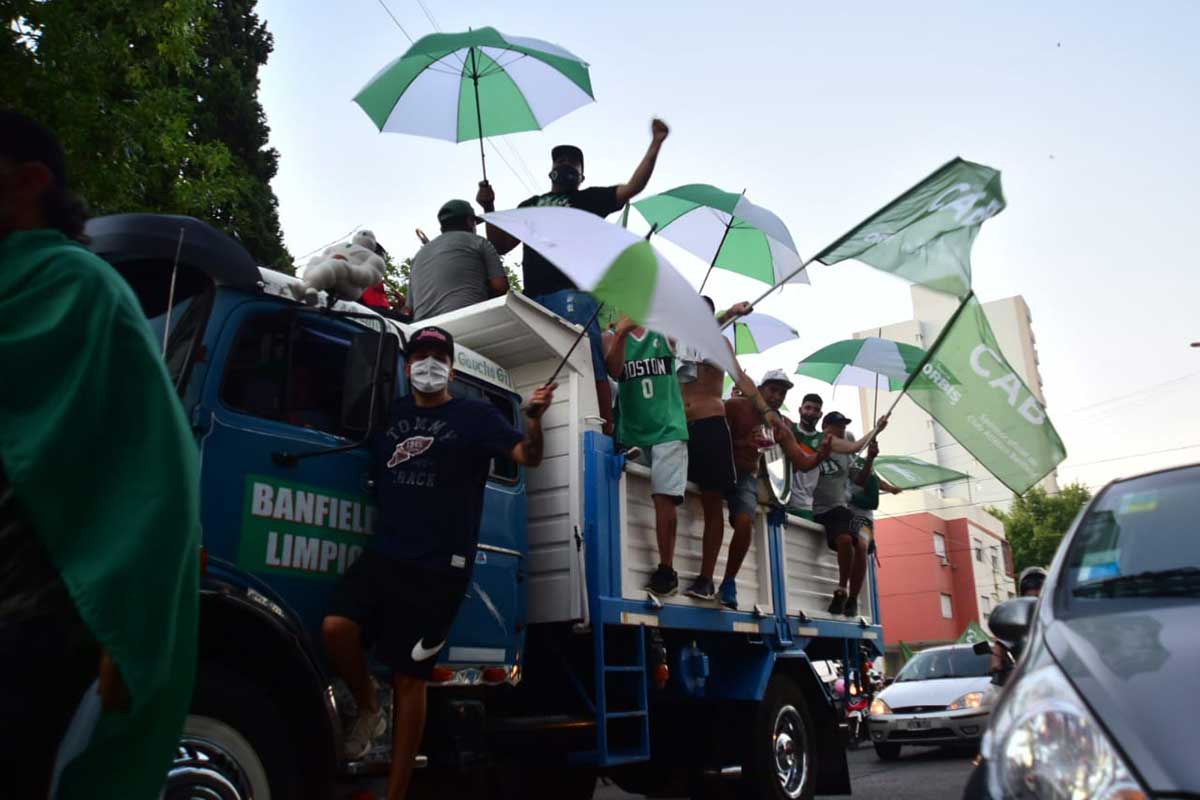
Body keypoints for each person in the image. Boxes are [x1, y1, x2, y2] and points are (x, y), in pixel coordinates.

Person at [0, 110, 200, 799]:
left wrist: (133, 625)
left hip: (35, 615)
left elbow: (157, 473)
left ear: (28, 181)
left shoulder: (83, 291)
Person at [321, 326, 554, 800]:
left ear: (450, 365)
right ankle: (369, 705)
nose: (429, 363)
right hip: (386, 552)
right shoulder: (388, 414)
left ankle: (396, 793)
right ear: (407, 366)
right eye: (420, 354)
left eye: (438, 355)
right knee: (335, 628)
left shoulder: (475, 416)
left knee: (412, 680)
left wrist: (533, 419)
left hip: (438, 568)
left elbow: (527, 456)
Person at [477, 119, 671, 435]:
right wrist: (489, 205)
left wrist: (656, 144)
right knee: (543, 363)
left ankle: (607, 434)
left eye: (573, 162)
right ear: (550, 169)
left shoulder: (589, 199)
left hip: (573, 294)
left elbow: (632, 187)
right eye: (559, 160)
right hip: (533, 299)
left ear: (582, 175)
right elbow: (499, 245)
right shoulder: (531, 206)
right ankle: (550, 429)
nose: (565, 165)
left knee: (589, 356)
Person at [606, 314, 688, 597]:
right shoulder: (614, 333)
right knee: (631, 497)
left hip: (668, 428)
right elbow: (614, 371)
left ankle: (667, 569)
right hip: (633, 431)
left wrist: (729, 314)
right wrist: (620, 335)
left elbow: (698, 331)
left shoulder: (665, 329)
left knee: (663, 496)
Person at [680, 298, 752, 601]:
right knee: (668, 495)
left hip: (710, 423)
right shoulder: (675, 340)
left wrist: (765, 409)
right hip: (677, 427)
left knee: (712, 502)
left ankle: (706, 578)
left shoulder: (718, 342)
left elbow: (740, 378)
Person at [812, 411, 889, 618]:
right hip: (841, 511)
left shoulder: (855, 460)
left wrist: (871, 458)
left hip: (859, 517)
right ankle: (844, 591)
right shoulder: (822, 446)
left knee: (862, 544)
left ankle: (852, 597)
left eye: (845, 429)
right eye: (839, 427)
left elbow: (868, 490)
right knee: (849, 540)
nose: (842, 431)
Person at [409, 199, 507, 321]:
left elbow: (409, 309)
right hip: (469, 321)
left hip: (424, 331)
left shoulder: (418, 256)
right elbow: (500, 287)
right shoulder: (479, 242)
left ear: (442, 227)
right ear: (470, 222)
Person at [989, 566, 1047, 685]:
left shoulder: (1061, 619)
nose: (1036, 603)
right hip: (1027, 683)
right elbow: (1000, 645)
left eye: (1040, 598)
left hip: (1063, 680)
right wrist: (997, 665)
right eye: (1030, 598)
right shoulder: (1017, 623)